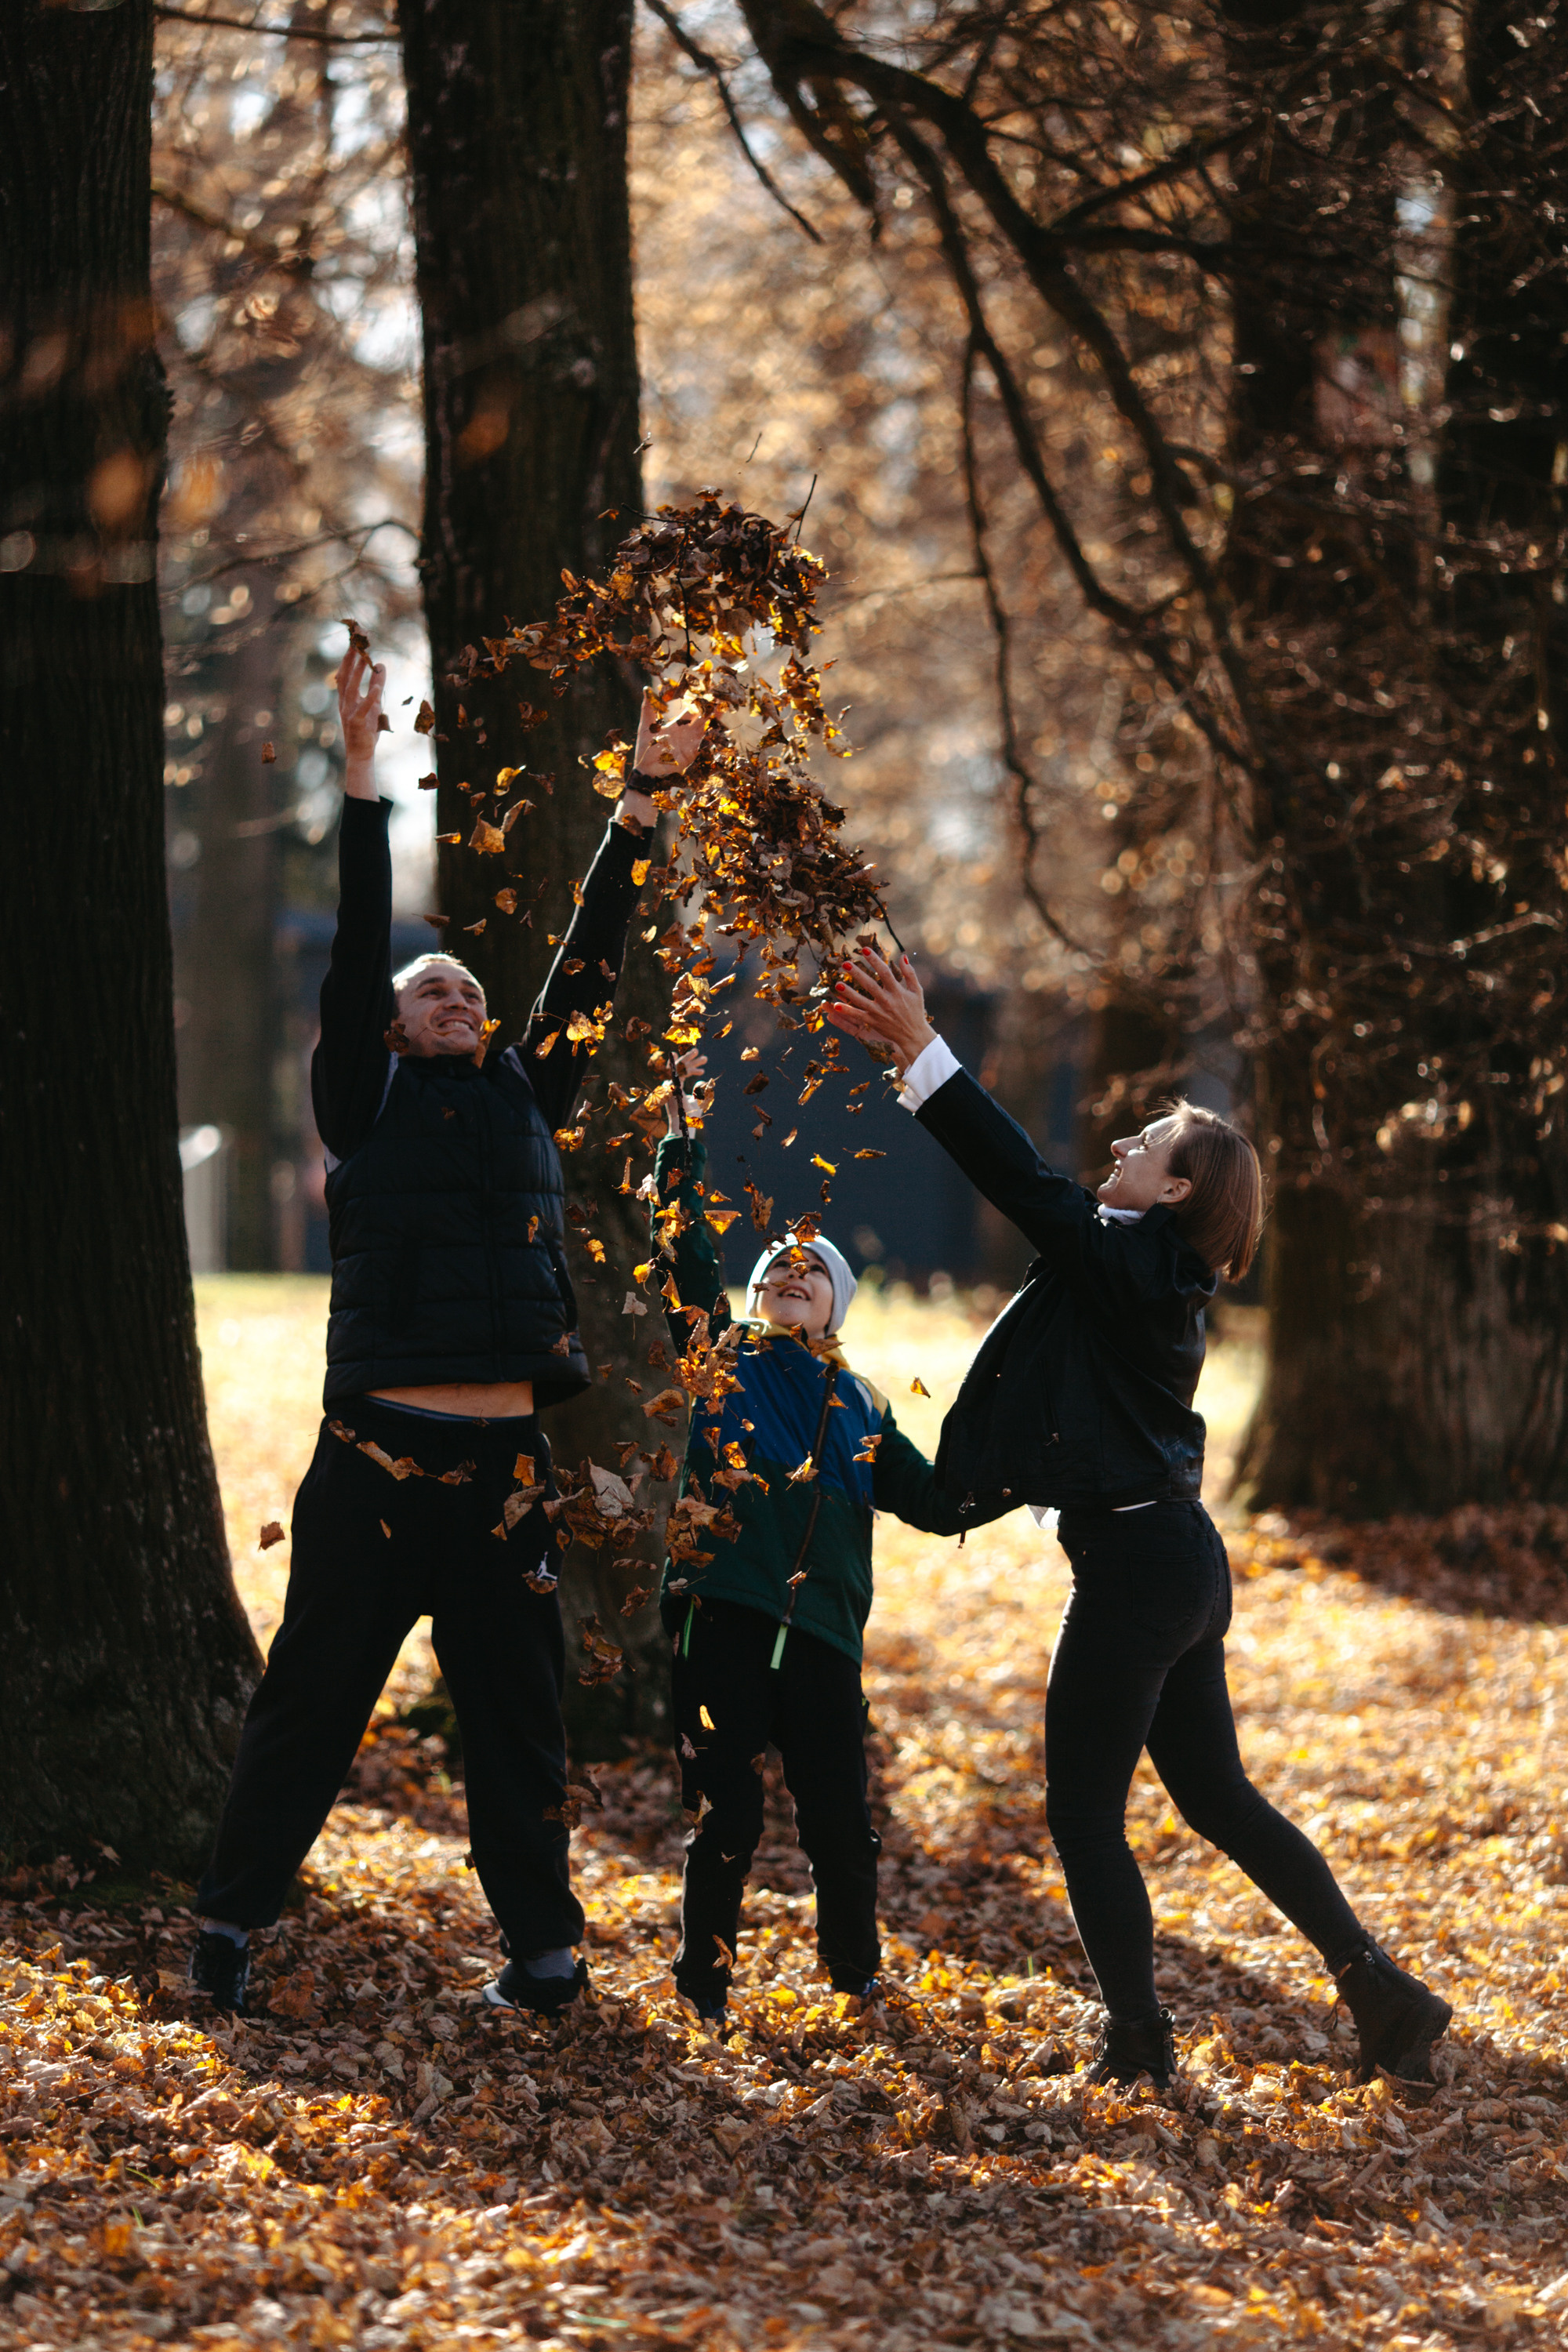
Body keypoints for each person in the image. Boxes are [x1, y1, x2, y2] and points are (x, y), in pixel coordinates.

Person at [187, 636, 704, 2019]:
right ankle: (229, 1928)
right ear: (395, 1032)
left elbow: (591, 963)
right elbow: (360, 950)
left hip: (500, 1482)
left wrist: (639, 805)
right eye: (435, 991)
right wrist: (362, 777)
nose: (456, 994)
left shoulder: (534, 1093)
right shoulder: (363, 1103)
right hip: (373, 1466)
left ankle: (544, 1959)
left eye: (471, 986)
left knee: (518, 1729)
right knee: (310, 1709)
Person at [828, 947, 1454, 2090]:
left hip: (1137, 1570)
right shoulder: (1146, 1275)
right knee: (1215, 1796)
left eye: (1144, 1148)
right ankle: (1386, 1994)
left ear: (1174, 1192)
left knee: (1083, 1814)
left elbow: (1023, 1183)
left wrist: (923, 1053)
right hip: (1174, 1560)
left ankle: (1136, 2044)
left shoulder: (1135, 1265)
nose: (1118, 1147)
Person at [647, 1057, 1004, 2025]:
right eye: (777, 1271)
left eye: (813, 1271)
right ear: (758, 1298)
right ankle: (702, 1989)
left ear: (837, 1305)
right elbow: (679, 1253)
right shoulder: (721, 1361)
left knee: (841, 1826)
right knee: (728, 1816)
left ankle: (853, 1979)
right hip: (721, 1619)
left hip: (823, 1642)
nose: (793, 1275)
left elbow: (934, 1502)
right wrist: (678, 1140)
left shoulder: (863, 1407)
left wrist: (1022, 1475)